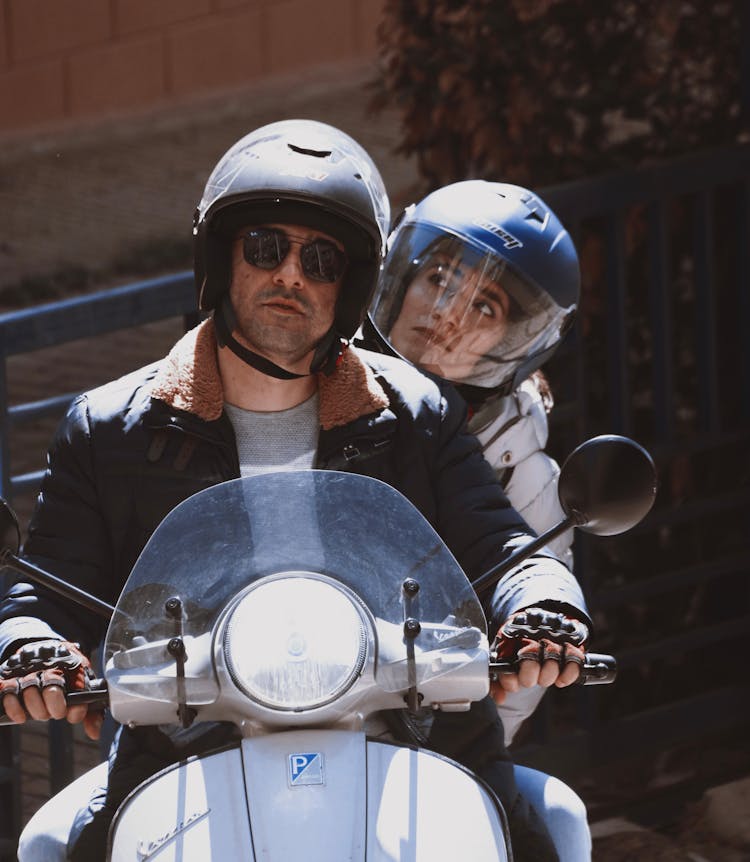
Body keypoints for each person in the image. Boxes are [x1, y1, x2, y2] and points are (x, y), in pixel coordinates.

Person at [0, 121, 590, 862]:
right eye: (265, 248)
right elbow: (42, 596)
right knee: (48, 846)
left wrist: (543, 604)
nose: (291, 276)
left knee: (552, 831)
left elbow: (504, 547)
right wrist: (32, 648)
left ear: (349, 286)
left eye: (320, 259)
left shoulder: (415, 414)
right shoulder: (110, 430)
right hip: (187, 751)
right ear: (221, 256)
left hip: (412, 738)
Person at [364, 180, 581, 745]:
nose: (446, 314)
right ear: (401, 277)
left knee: (557, 820)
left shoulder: (524, 476)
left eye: (483, 306)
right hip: (266, 714)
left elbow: (512, 701)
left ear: (513, 343)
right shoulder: (302, 387)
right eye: (438, 278)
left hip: (428, 746)